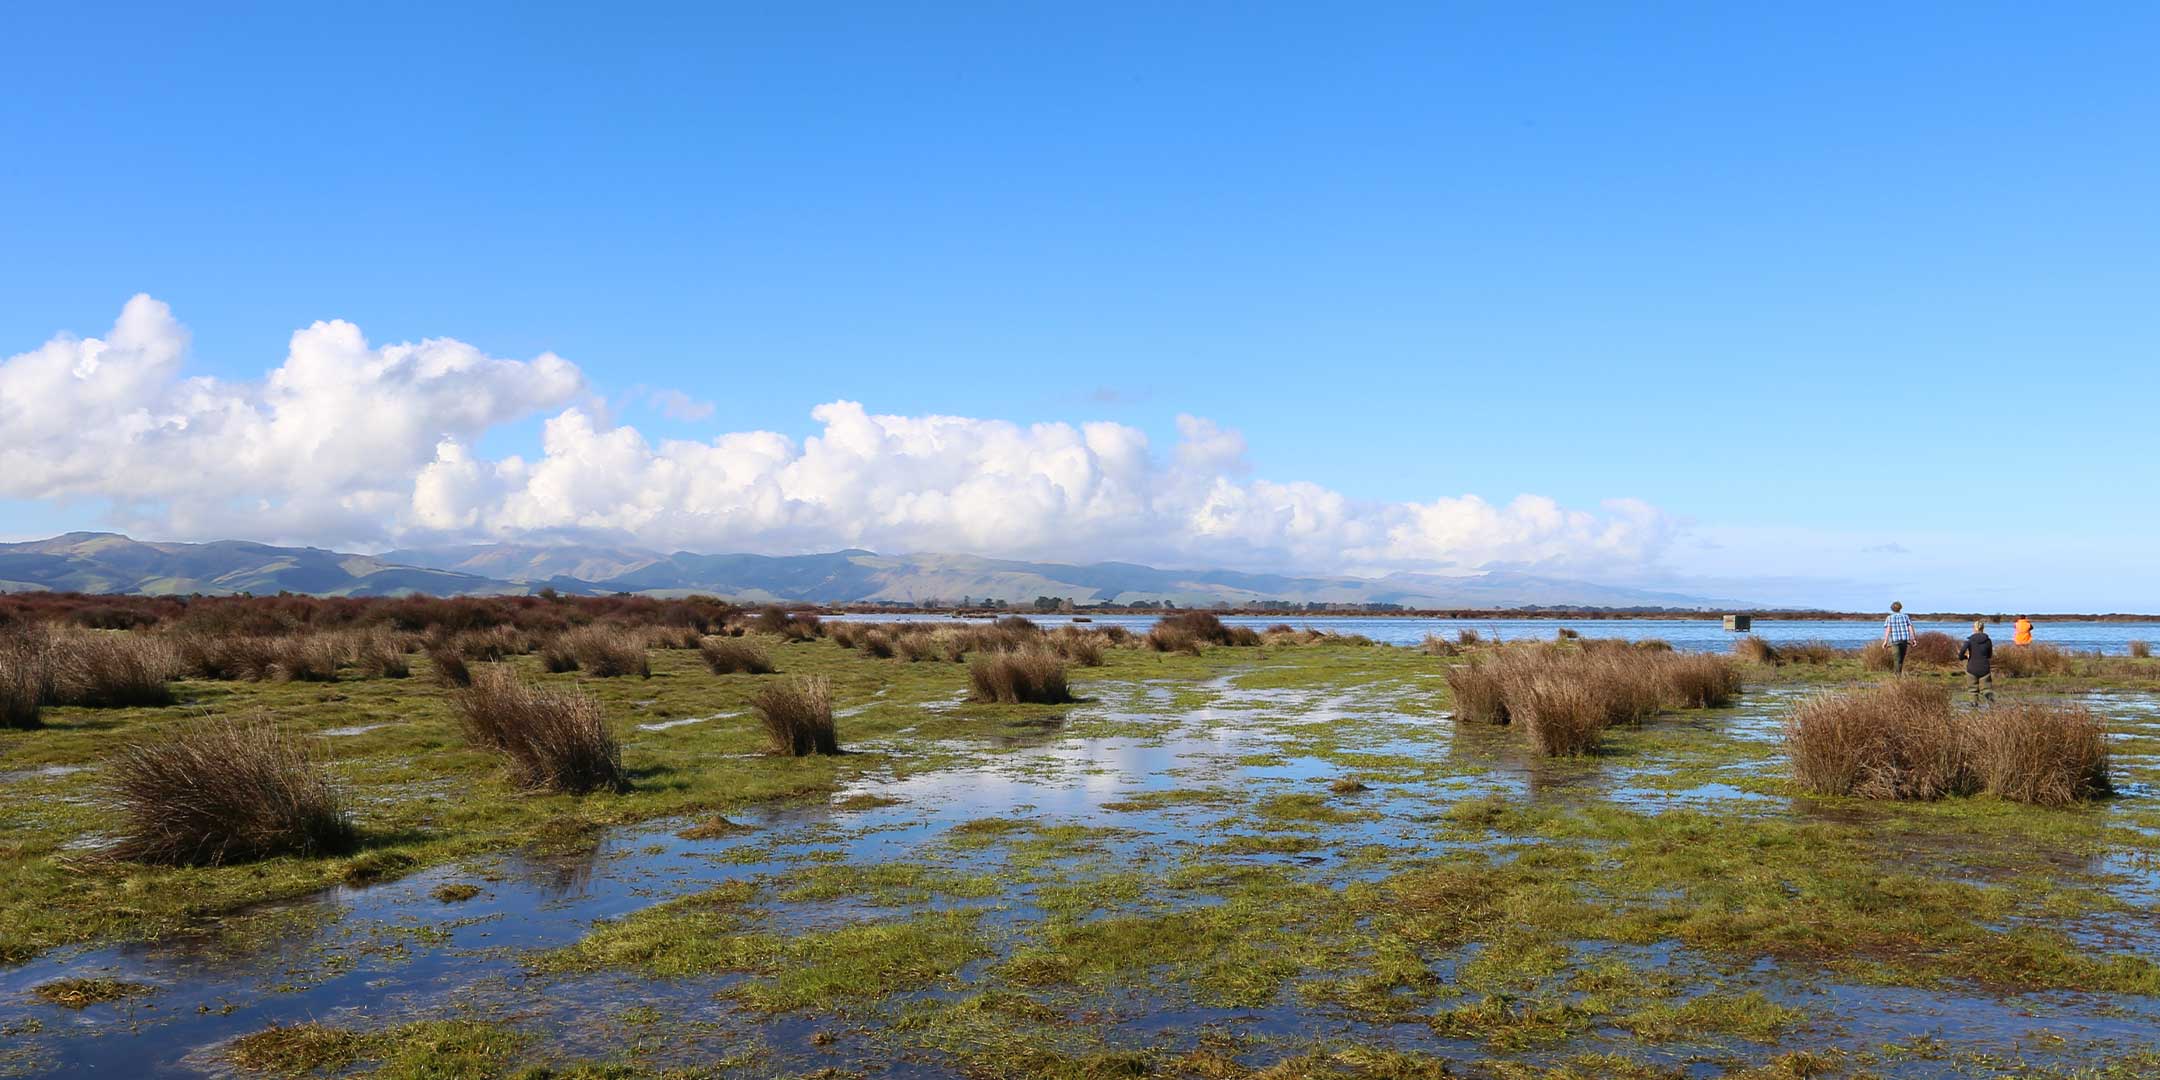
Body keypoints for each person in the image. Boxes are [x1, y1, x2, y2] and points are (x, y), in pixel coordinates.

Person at [1959, 619, 1995, 706]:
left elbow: (1961, 654)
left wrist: (1965, 657)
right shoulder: (1988, 641)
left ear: (1974, 628)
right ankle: (1991, 704)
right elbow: (1990, 655)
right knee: (1987, 689)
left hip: (1972, 667)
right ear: (1983, 628)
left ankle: (1973, 705)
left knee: (1972, 689)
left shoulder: (1969, 641)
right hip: (1984, 668)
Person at [1883, 601, 1917, 675]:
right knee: (1901, 659)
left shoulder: (1889, 618)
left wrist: (1885, 641)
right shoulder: (1906, 616)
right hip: (1904, 640)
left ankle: (1897, 676)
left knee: (1896, 659)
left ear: (1892, 609)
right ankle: (1898, 675)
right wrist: (1913, 639)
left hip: (1895, 641)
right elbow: (1910, 627)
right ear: (1900, 608)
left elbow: (1888, 629)